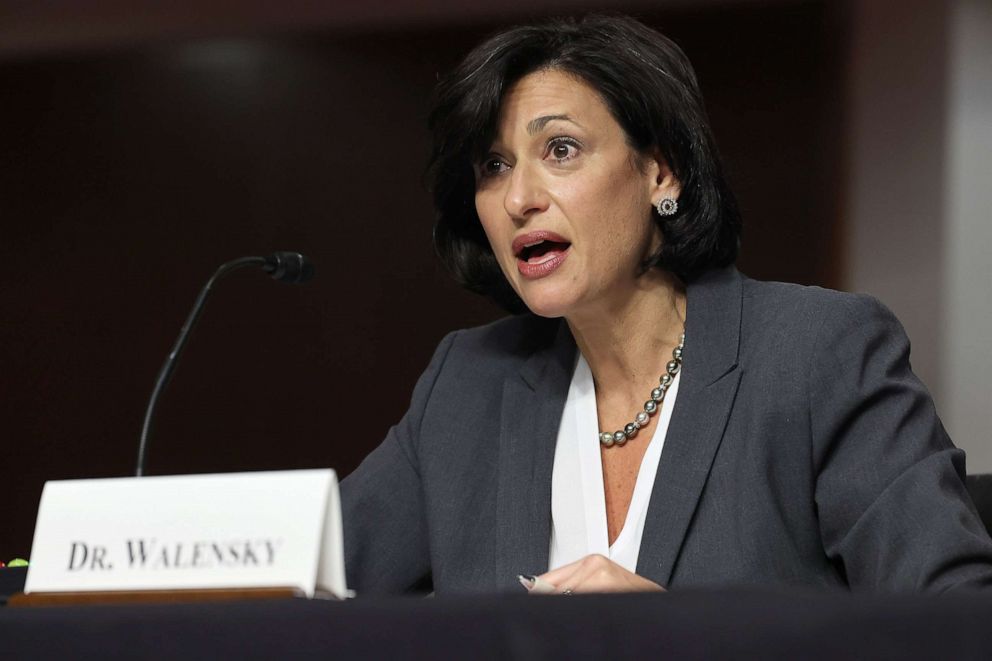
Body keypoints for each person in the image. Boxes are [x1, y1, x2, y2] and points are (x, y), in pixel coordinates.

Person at [341, 14, 992, 595]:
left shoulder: (819, 351)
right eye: (493, 165)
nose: (519, 198)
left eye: (559, 149)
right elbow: (300, 584)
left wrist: (678, 638)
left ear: (661, 171)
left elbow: (953, 614)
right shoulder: (465, 385)